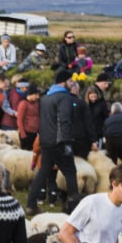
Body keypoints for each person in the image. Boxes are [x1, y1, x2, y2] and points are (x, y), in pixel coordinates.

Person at [27, 68, 77, 216]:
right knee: (70, 172)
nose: (72, 83)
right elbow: (64, 120)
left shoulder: (46, 98)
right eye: (70, 80)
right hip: (59, 141)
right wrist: (67, 142)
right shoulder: (64, 97)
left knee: (43, 172)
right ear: (64, 82)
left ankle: (31, 204)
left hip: (46, 141)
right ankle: (75, 206)